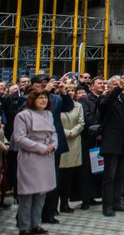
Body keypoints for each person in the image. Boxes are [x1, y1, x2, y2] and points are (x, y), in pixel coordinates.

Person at [29, 74, 73, 225]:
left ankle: (50, 212)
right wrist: (45, 92)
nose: (45, 86)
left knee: (54, 179)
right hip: (38, 145)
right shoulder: (29, 98)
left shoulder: (54, 98)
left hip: (54, 143)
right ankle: (33, 214)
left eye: (47, 83)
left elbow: (68, 107)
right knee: (38, 181)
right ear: (33, 85)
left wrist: (64, 92)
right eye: (41, 84)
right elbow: (35, 112)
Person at [13, 89, 57, 235]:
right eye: (40, 98)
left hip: (46, 157)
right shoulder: (23, 115)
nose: (43, 100)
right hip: (30, 157)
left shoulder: (49, 114)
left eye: (45, 98)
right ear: (33, 99)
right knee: (27, 194)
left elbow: (54, 133)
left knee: (41, 193)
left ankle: (36, 224)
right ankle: (24, 226)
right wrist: (40, 147)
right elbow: (19, 138)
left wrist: (53, 145)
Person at [98, 76, 124, 217]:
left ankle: (117, 202)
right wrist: (118, 88)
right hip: (112, 144)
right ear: (109, 87)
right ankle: (107, 205)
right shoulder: (105, 100)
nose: (119, 87)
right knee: (110, 176)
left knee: (121, 175)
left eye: (120, 85)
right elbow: (105, 104)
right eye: (115, 85)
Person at [78, 76, 105, 209]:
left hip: (103, 138)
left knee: (100, 168)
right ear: (92, 86)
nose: (102, 85)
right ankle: (86, 198)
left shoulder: (104, 99)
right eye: (99, 83)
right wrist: (98, 131)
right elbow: (88, 117)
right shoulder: (85, 100)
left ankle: (96, 194)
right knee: (87, 169)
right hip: (89, 138)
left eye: (103, 83)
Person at [58, 84, 85, 214]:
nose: (69, 92)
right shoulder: (57, 104)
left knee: (69, 175)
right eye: (67, 90)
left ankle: (65, 203)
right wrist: (64, 132)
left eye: (71, 90)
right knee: (59, 175)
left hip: (73, 142)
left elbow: (81, 123)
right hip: (59, 141)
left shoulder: (78, 106)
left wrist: (72, 132)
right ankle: (53, 204)